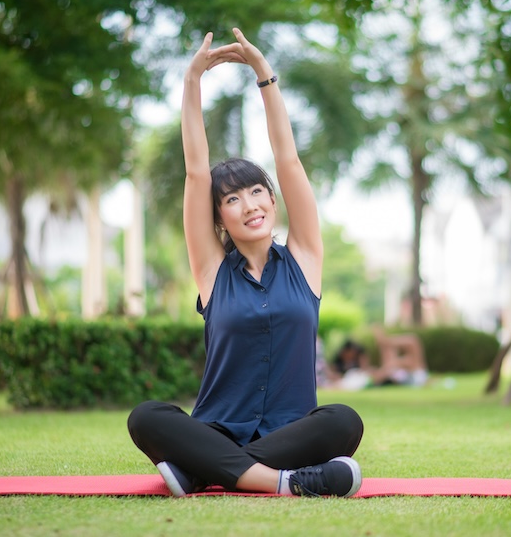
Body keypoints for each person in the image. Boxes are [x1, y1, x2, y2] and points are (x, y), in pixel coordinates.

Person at [127, 28, 364, 498]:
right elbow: (197, 170)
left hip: (290, 436)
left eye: (257, 191)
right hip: (217, 431)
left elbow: (288, 159)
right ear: (219, 218)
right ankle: (286, 484)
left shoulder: (304, 261)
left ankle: (200, 473)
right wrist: (193, 79)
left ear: (273, 200)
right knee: (147, 417)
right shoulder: (213, 273)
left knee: (344, 420)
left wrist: (264, 75)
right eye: (232, 199)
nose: (249, 204)